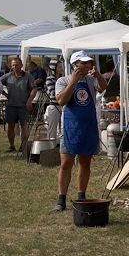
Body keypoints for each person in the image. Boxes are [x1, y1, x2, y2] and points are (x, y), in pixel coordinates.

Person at [53, 51, 107, 212]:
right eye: (83, 63)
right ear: (75, 65)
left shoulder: (91, 80)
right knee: (66, 163)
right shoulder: (63, 80)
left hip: (88, 125)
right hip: (70, 126)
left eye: (88, 62)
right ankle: (61, 200)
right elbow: (61, 100)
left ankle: (81, 196)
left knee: (85, 162)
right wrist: (74, 81)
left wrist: (98, 75)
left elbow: (103, 87)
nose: (87, 65)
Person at [0, 57, 37, 152]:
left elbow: (34, 89)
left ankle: (23, 146)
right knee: (10, 126)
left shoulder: (28, 76)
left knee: (24, 126)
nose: (15, 67)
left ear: (21, 65)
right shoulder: (7, 76)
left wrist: (29, 101)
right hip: (11, 105)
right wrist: (5, 94)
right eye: (13, 65)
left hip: (23, 106)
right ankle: (11, 146)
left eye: (17, 65)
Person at [44, 61, 64, 141]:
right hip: (54, 106)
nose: (61, 68)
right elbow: (52, 93)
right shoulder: (49, 79)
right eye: (59, 67)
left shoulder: (62, 79)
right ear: (54, 68)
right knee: (52, 128)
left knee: (62, 128)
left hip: (63, 105)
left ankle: (60, 144)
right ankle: (51, 144)